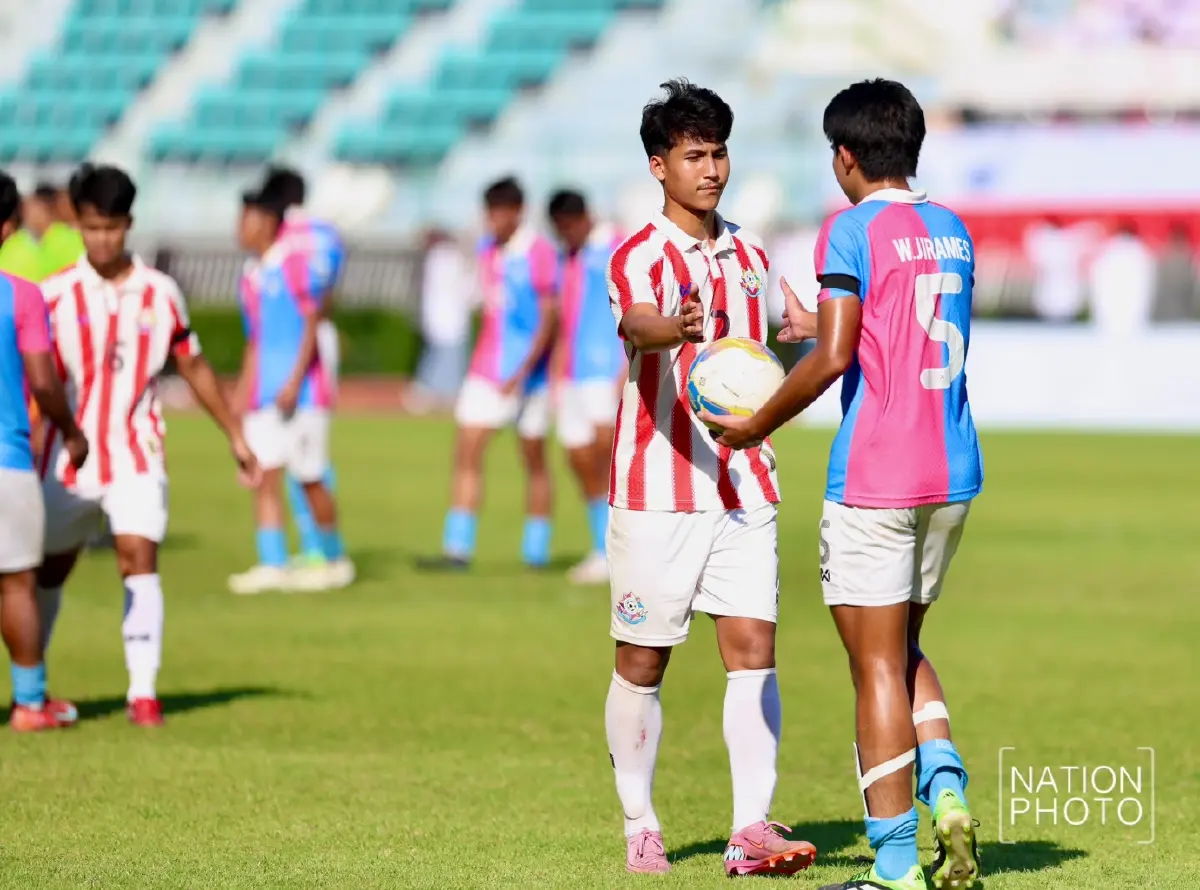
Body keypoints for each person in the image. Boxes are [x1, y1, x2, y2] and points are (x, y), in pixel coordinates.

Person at [702, 79, 983, 890]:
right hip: (952, 470)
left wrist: (755, 425)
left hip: (877, 476)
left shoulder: (850, 230)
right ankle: (949, 794)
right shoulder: (951, 230)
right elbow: (883, 330)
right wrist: (817, 326)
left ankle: (894, 866)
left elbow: (832, 358)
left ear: (846, 157)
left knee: (873, 669)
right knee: (902, 650)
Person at [603, 79, 816, 878]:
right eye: (695, 155)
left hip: (745, 488)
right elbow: (636, 324)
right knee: (643, 663)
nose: (712, 169)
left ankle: (750, 828)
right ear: (660, 167)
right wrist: (678, 327)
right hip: (658, 493)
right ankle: (641, 824)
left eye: (719, 152)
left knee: (753, 653)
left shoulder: (751, 255)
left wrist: (832, 323)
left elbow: (789, 326)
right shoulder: (639, 256)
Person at [36, 163, 258, 727]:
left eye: (111, 227)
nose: (102, 239)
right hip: (67, 457)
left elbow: (194, 365)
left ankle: (143, 693)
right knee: (49, 571)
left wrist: (235, 434)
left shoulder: (161, 293)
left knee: (139, 559)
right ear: (78, 226)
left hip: (135, 450)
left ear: (128, 224)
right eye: (91, 228)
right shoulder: (55, 294)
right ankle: (30, 686)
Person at [420, 177, 558, 571]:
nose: (493, 221)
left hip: (528, 377)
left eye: (499, 213)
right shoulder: (487, 249)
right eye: (489, 213)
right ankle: (456, 549)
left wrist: (525, 369)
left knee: (533, 459)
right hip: (486, 370)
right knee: (467, 450)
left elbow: (549, 318)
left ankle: (536, 553)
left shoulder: (539, 252)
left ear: (517, 212)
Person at [228, 173, 351, 594]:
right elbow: (254, 340)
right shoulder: (250, 276)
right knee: (264, 475)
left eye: (245, 218)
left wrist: (294, 381)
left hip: (302, 394)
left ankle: (335, 558)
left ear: (265, 221)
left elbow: (312, 323)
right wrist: (240, 397)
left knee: (310, 476)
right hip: (266, 393)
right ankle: (273, 562)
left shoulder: (295, 264)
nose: (238, 227)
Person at [0, 172, 89, 732]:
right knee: (14, 584)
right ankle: (31, 703)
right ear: (7, 227)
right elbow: (43, 377)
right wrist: (70, 430)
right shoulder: (21, 294)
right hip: (7, 462)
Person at [546, 190, 625, 585]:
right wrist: (558, 371)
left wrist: (625, 368)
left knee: (607, 457)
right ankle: (601, 546)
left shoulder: (616, 246)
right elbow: (565, 318)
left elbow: (634, 308)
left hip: (605, 369)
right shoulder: (568, 257)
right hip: (573, 373)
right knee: (578, 458)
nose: (567, 236)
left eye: (569, 227)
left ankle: (622, 547)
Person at [406, 228, 472, 413]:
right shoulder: (445, 259)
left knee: (442, 357)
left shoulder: (441, 258)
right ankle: (427, 393)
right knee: (442, 357)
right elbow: (464, 288)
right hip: (446, 318)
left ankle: (436, 393)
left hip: (446, 317)